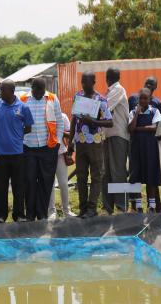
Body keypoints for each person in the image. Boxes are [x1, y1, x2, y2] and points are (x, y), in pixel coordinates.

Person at [68, 71, 113, 218]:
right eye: (82, 81)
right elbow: (74, 119)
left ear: (94, 82)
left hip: (95, 143)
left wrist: (94, 122)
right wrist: (70, 141)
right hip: (80, 142)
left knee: (96, 176)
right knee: (81, 176)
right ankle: (83, 208)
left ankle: (92, 208)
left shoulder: (101, 99)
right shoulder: (78, 96)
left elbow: (109, 122)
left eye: (86, 81)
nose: (83, 84)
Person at [20, 78, 64, 221]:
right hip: (28, 148)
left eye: (42, 90)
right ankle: (30, 215)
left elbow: (59, 122)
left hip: (48, 148)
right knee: (30, 181)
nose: (39, 93)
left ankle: (42, 214)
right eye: (36, 90)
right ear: (31, 88)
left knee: (46, 182)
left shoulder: (52, 98)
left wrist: (57, 142)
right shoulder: (23, 100)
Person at [0, 79, 34, 223]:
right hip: (1, 154)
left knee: (19, 186)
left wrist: (17, 135)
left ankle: (19, 214)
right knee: (0, 187)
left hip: (17, 153)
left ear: (11, 91)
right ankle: (0, 215)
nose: (0, 92)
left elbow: (28, 127)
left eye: (3, 90)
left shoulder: (23, 107)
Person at [128, 87, 161, 213]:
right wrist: (137, 114)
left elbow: (155, 128)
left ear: (149, 99)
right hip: (136, 149)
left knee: (150, 175)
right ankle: (138, 205)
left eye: (145, 98)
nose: (142, 100)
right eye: (140, 98)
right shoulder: (132, 112)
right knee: (136, 175)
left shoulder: (155, 111)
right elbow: (131, 129)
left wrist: (139, 128)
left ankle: (151, 205)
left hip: (150, 149)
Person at [102, 67, 130, 214]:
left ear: (107, 78)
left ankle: (122, 205)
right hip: (108, 136)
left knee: (118, 171)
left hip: (118, 135)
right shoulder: (112, 91)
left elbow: (103, 108)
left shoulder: (118, 90)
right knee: (106, 172)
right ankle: (108, 207)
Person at [48, 112, 74, 219]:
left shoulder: (63, 116)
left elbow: (69, 134)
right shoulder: (45, 115)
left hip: (60, 154)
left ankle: (67, 211)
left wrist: (58, 131)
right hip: (47, 154)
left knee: (63, 183)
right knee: (50, 184)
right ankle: (51, 212)